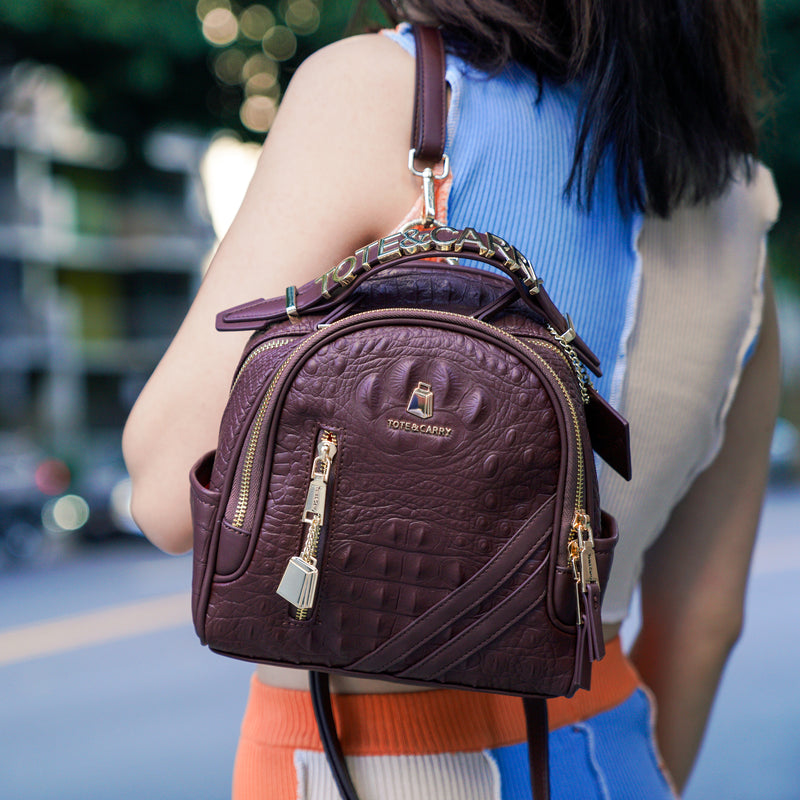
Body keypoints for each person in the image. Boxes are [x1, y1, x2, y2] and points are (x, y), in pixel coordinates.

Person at [122, 1, 780, 797]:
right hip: (617, 757)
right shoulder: (739, 202)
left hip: (373, 767)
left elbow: (167, 492)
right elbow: (706, 619)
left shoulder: (383, 93)